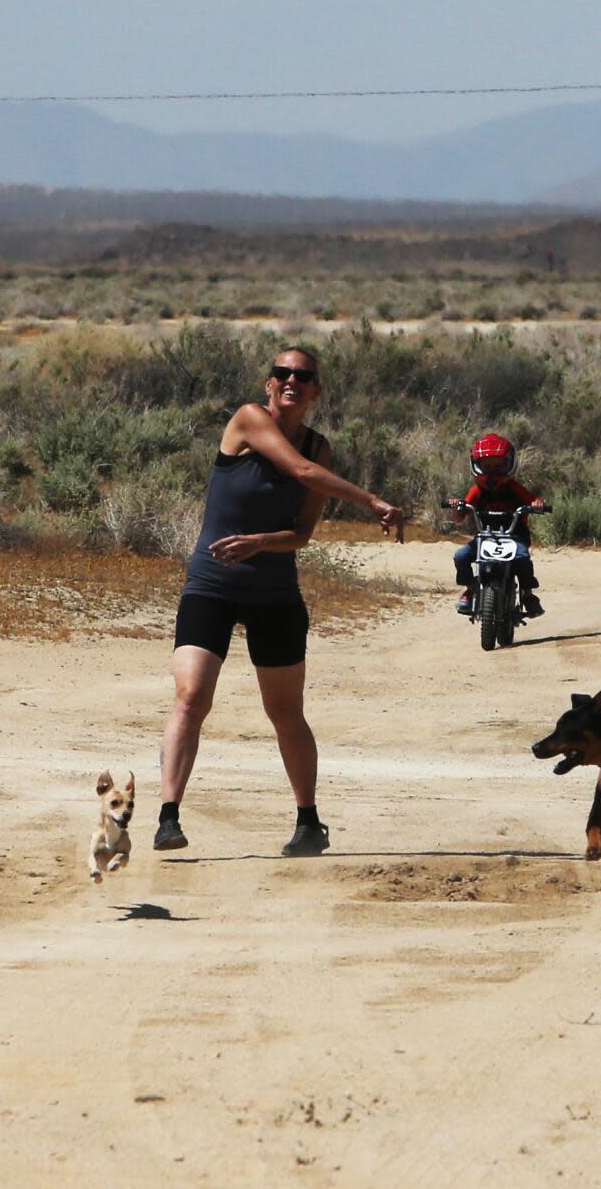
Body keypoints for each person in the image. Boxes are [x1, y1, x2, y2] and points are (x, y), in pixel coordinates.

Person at [154, 346, 403, 858]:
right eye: (281, 373)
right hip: (212, 584)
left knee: (285, 710)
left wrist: (261, 542)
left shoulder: (320, 445)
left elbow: (301, 533)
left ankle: (308, 822)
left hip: (274, 593)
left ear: (316, 391)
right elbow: (302, 473)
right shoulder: (248, 419)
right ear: (269, 384)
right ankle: (168, 817)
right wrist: (374, 501)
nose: (290, 380)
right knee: (191, 696)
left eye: (302, 376)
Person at [449, 432, 545, 617]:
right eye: (487, 467)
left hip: (514, 536)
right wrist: (456, 506)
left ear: (508, 465)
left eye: (498, 466)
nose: (492, 471)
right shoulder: (477, 491)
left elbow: (533, 500)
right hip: (485, 537)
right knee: (461, 556)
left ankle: (527, 594)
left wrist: (536, 505)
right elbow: (460, 517)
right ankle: (470, 589)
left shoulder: (515, 488)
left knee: (523, 558)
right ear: (478, 467)